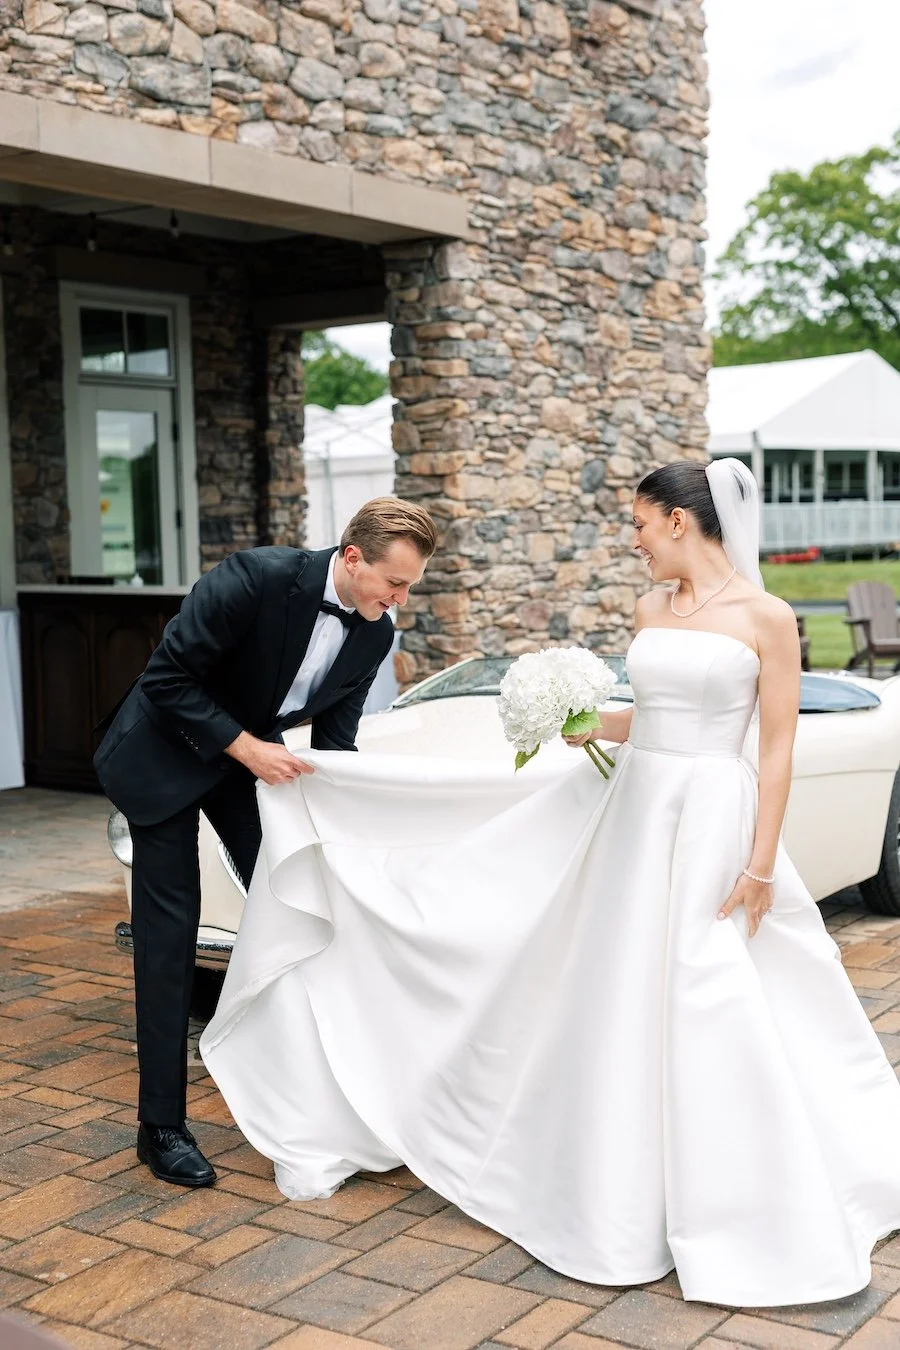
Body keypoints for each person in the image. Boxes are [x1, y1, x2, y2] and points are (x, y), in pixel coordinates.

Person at [199, 460, 900, 1306]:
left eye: (641, 524)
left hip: (714, 816)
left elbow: (775, 744)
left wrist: (759, 862)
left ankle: (744, 1195)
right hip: (637, 810)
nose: (633, 540)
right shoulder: (650, 610)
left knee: (710, 986)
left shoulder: (768, 616)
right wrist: (575, 719)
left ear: (680, 521)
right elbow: (653, 715)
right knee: (618, 986)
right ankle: (617, 1180)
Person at [94, 498, 436, 1188]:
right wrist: (248, 749)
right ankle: (160, 1127)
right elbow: (165, 679)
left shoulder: (371, 634)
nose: (400, 600)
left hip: (243, 766)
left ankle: (324, 1095)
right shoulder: (254, 577)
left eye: (409, 588)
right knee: (170, 935)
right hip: (163, 753)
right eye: (393, 583)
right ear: (351, 558)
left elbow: (337, 748)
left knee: (307, 907)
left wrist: (346, 836)